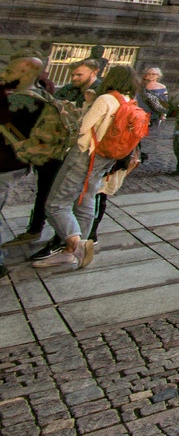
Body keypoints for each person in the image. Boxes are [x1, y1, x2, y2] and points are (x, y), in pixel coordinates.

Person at [33, 64, 140, 272]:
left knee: (56, 204)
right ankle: (70, 252)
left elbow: (83, 128)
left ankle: (76, 245)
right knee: (86, 199)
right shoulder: (128, 101)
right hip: (106, 158)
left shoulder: (105, 99)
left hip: (84, 155)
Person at [0, 56, 53, 273]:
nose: (4, 74)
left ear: (25, 74)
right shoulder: (42, 95)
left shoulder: (19, 101)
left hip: (4, 164)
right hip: (17, 163)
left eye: (11, 71)